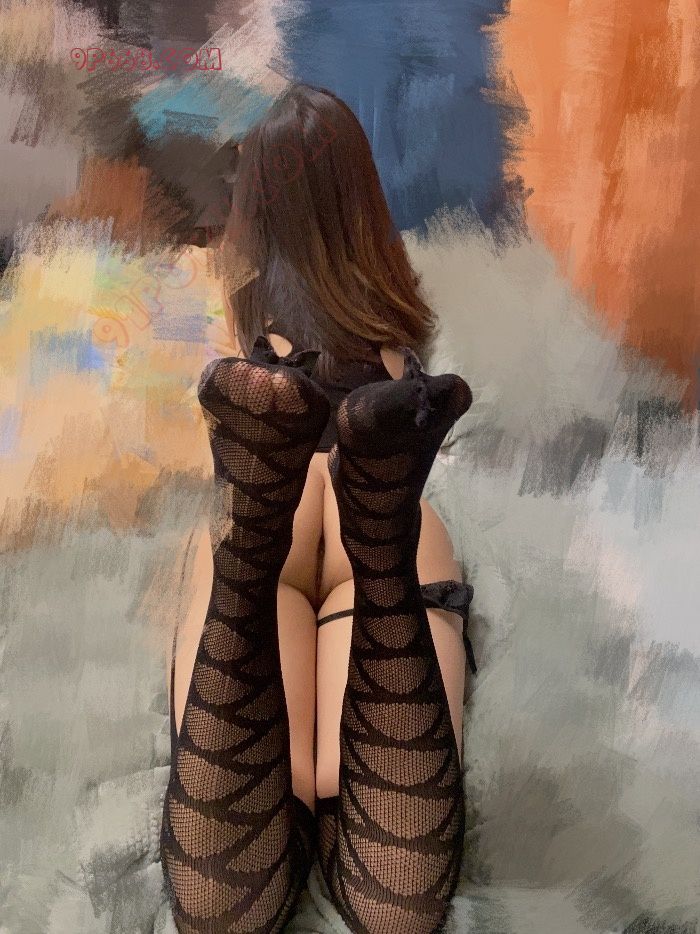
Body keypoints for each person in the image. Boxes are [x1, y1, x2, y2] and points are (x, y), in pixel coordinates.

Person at [160, 81, 476, 934]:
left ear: (253, 203)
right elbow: (406, 365)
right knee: (391, 893)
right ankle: (382, 558)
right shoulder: (394, 301)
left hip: (284, 498)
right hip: (375, 495)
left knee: (231, 891)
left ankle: (245, 556)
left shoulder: (234, 298)